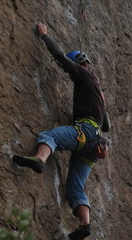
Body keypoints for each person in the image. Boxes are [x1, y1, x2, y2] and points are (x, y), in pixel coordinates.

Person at [12, 22, 111, 240]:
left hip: (84, 132)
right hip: (94, 146)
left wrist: (44, 36)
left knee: (50, 136)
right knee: (75, 187)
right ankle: (84, 224)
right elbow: (107, 126)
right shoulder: (98, 90)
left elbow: (60, 57)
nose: (69, 75)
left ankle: (39, 159)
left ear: (79, 63)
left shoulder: (84, 75)